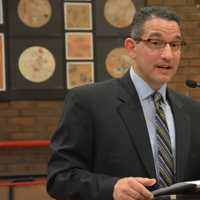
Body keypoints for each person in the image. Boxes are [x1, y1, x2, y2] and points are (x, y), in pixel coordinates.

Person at [47, 6, 200, 200]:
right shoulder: (87, 102)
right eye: (156, 43)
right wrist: (112, 188)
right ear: (131, 47)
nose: (168, 55)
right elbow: (60, 178)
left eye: (175, 45)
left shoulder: (193, 111)